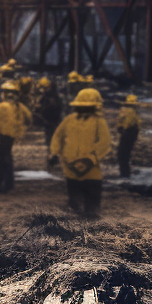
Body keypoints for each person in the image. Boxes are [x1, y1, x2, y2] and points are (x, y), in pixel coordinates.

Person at [51, 87, 112, 217]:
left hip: (91, 168)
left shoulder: (99, 122)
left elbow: (104, 142)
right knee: (74, 198)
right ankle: (75, 218)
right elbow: (58, 136)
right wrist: (55, 153)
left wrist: (90, 159)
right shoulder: (69, 120)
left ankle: (92, 218)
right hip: (70, 165)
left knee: (92, 199)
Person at [0, 80, 32, 194]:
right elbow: (29, 119)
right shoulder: (20, 107)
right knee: (7, 158)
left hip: (1, 135)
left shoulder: (0, 107)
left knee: (0, 159)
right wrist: (19, 127)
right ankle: (9, 183)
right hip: (11, 136)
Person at [117, 94, 140, 178]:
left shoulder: (127, 111)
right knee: (125, 155)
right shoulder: (134, 112)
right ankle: (126, 173)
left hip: (127, 133)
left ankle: (124, 174)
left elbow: (125, 124)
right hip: (132, 134)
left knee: (122, 155)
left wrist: (121, 130)